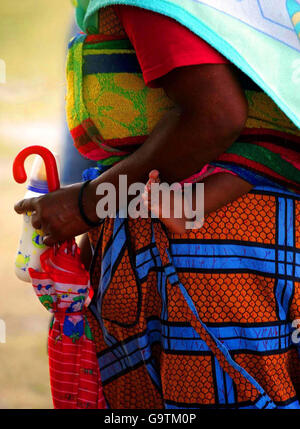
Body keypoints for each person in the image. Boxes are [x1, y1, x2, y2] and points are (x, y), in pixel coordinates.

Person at [14, 4, 300, 408]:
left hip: (214, 265)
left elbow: (215, 116)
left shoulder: (162, 6)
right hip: (257, 234)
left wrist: (86, 203)